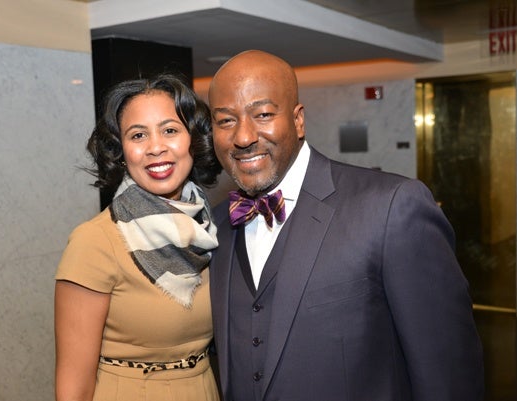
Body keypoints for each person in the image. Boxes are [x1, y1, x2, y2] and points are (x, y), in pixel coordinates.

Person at [207, 50, 484, 401]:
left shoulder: (390, 207)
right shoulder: (216, 225)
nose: (243, 136)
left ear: (298, 120)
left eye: (263, 114)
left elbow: (449, 373)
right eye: (226, 120)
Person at [54, 74, 222, 401]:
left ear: (194, 140)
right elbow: (73, 386)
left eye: (170, 130)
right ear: (121, 150)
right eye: (138, 135)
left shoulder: (210, 230)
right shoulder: (95, 242)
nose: (156, 147)